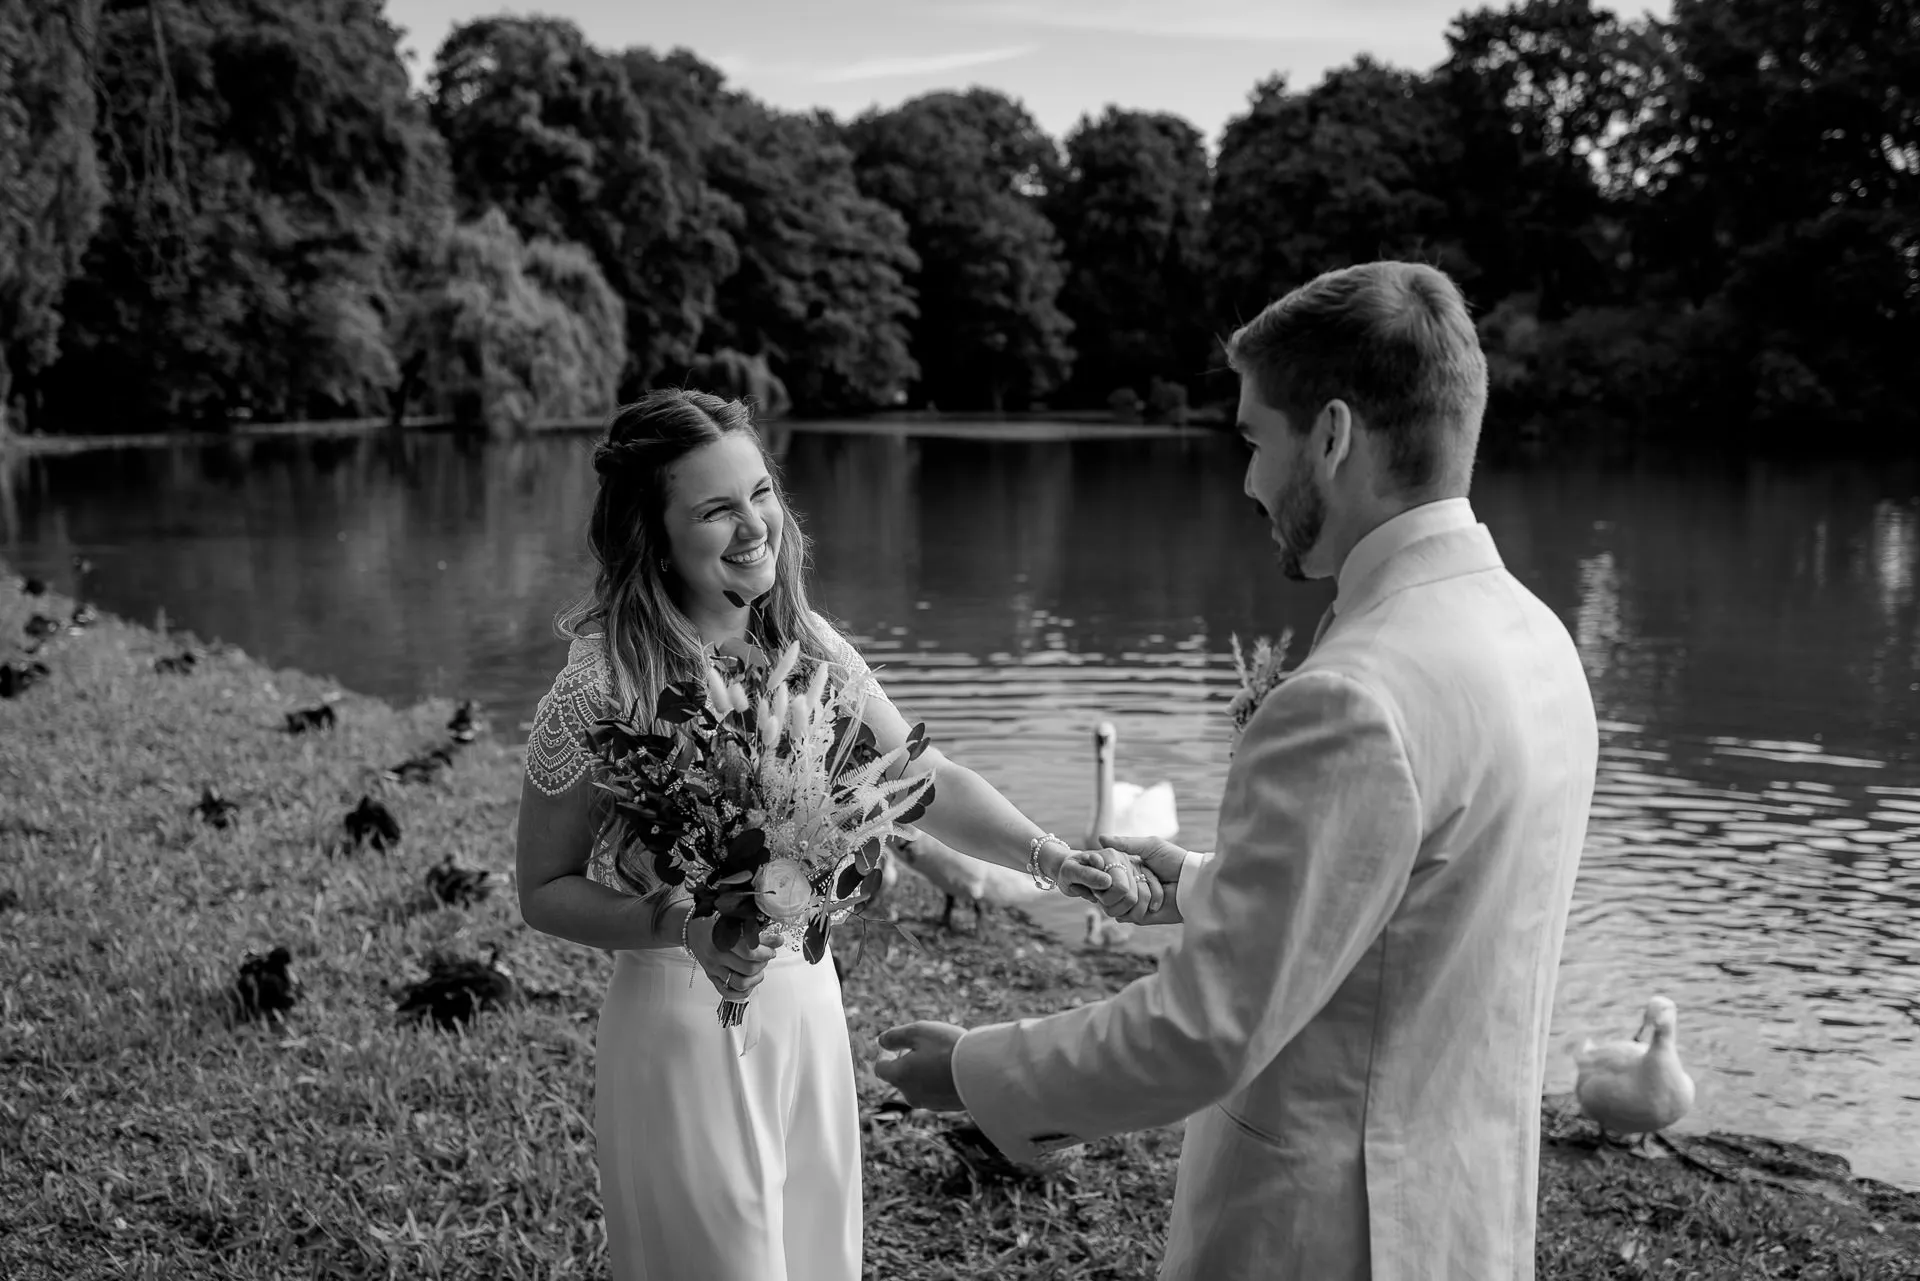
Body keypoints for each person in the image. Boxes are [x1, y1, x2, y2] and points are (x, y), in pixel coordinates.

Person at [877, 261, 1601, 1281]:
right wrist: (1197, 882)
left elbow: (1203, 1032)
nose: (1251, 480)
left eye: (1256, 439)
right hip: (1461, 1211)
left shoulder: (1353, 693)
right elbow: (1415, 906)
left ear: (1335, 435)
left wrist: (979, 1069)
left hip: (1324, 1232)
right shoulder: (1538, 642)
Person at [513, 389, 1142, 1281]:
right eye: (716, 508)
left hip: (807, 1007)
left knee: (816, 1258)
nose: (754, 525)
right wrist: (679, 922)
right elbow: (541, 890)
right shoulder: (603, 688)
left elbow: (921, 780)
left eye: (760, 492)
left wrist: (1053, 858)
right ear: (652, 535)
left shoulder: (805, 644)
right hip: (682, 1027)